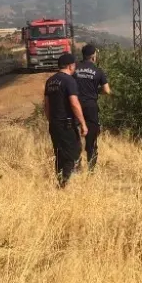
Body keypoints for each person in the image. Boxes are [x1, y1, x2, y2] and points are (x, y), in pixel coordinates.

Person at [44, 53, 88, 187]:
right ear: (70, 65)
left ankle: (60, 181)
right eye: (74, 65)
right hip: (67, 124)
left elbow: (46, 105)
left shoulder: (50, 81)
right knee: (72, 154)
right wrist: (83, 124)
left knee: (59, 154)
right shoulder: (69, 81)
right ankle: (65, 185)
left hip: (54, 124)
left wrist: (51, 121)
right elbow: (74, 103)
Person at [74, 44, 111, 171]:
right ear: (93, 56)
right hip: (91, 107)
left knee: (74, 135)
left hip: (75, 105)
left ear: (83, 55)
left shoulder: (74, 68)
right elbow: (107, 90)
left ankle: (75, 166)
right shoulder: (98, 71)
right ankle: (91, 169)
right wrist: (95, 91)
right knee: (91, 140)